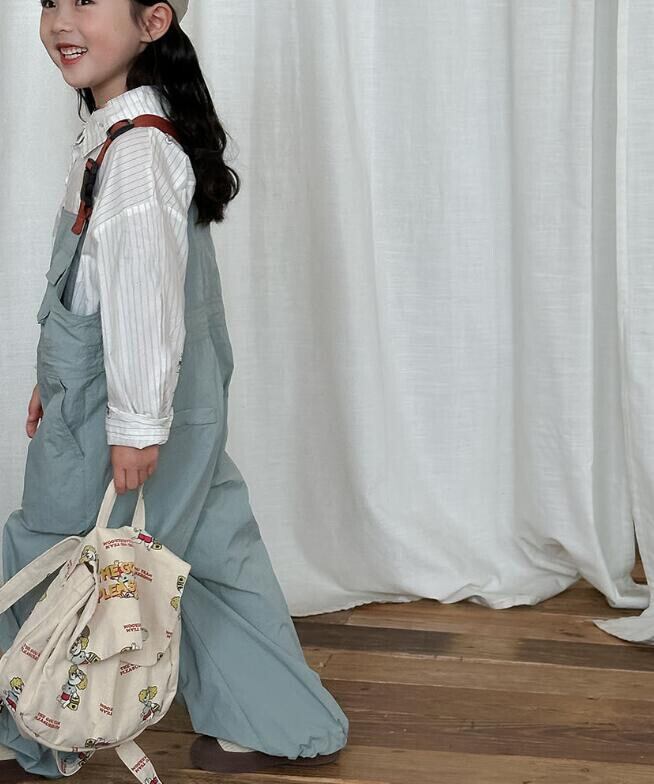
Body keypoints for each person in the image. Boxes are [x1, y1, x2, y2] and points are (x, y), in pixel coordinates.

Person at [0, 0, 349, 777]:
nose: (60, 21)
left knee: (53, 549)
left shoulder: (136, 154)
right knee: (212, 552)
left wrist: (133, 426)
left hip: (130, 409)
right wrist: (51, 378)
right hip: (168, 402)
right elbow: (94, 287)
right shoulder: (117, 136)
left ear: (153, 22)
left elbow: (145, 300)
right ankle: (275, 718)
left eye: (85, 1)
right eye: (50, 1)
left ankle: (39, 731)